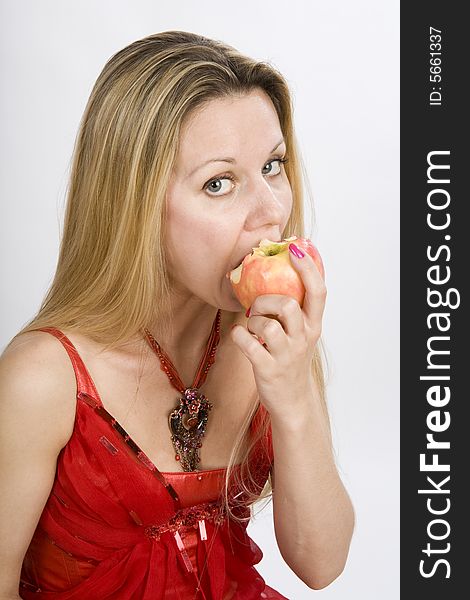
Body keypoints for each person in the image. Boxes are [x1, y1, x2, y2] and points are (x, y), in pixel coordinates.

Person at [0, 30, 354, 600]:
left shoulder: (271, 339)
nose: (270, 212)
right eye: (219, 183)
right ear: (133, 205)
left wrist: (295, 395)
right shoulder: (43, 378)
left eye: (273, 165)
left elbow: (322, 563)